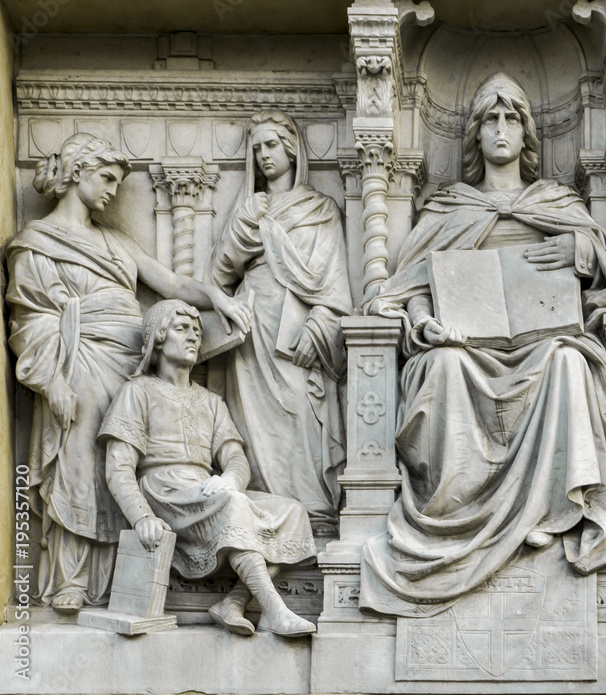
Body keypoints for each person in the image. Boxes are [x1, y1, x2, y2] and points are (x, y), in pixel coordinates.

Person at [358, 72, 606, 617]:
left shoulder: (556, 203)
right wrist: (425, 325)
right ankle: (453, 516)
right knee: (440, 366)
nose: (502, 128)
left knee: (568, 363)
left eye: (513, 118)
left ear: (528, 134)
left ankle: (556, 513)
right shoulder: (449, 209)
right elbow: (405, 292)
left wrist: (579, 250)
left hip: (542, 346)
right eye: (491, 118)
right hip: (466, 349)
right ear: (476, 136)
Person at [6, 133, 252, 614]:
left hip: (129, 362)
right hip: (76, 361)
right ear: (76, 173)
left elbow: (173, 283)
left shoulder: (114, 240)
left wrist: (218, 298)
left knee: (119, 470)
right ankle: (70, 580)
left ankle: (123, 577)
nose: (112, 192)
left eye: (118, 184)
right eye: (106, 179)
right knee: (79, 465)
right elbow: (30, 318)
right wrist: (52, 381)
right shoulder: (35, 243)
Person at [99, 300, 317, 637]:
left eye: (197, 332)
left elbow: (234, 457)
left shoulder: (211, 402)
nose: (192, 337)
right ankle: (275, 611)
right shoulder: (136, 392)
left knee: (292, 512)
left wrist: (231, 479)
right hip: (165, 491)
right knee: (236, 505)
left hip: (206, 491)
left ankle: (234, 601)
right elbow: (118, 467)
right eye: (181, 328)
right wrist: (141, 516)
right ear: (158, 337)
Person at [211, 110, 353, 535]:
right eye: (256, 149)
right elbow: (219, 276)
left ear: (291, 148)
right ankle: (261, 524)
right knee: (256, 432)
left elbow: (335, 282)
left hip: (298, 332)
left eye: (271, 145)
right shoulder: (248, 209)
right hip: (252, 331)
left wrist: (320, 324)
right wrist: (246, 223)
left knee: (304, 417)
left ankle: (313, 515)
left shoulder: (321, 209)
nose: (263, 156)